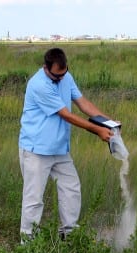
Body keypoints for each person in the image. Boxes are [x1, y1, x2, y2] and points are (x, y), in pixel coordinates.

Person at [18, 47, 115, 242]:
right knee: (34, 198)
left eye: (63, 74)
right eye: (56, 77)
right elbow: (66, 115)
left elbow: (83, 104)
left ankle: (69, 235)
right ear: (46, 68)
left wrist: (110, 123)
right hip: (37, 150)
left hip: (60, 149)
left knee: (71, 188)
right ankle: (27, 245)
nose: (60, 79)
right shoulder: (39, 85)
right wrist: (97, 130)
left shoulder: (65, 77)